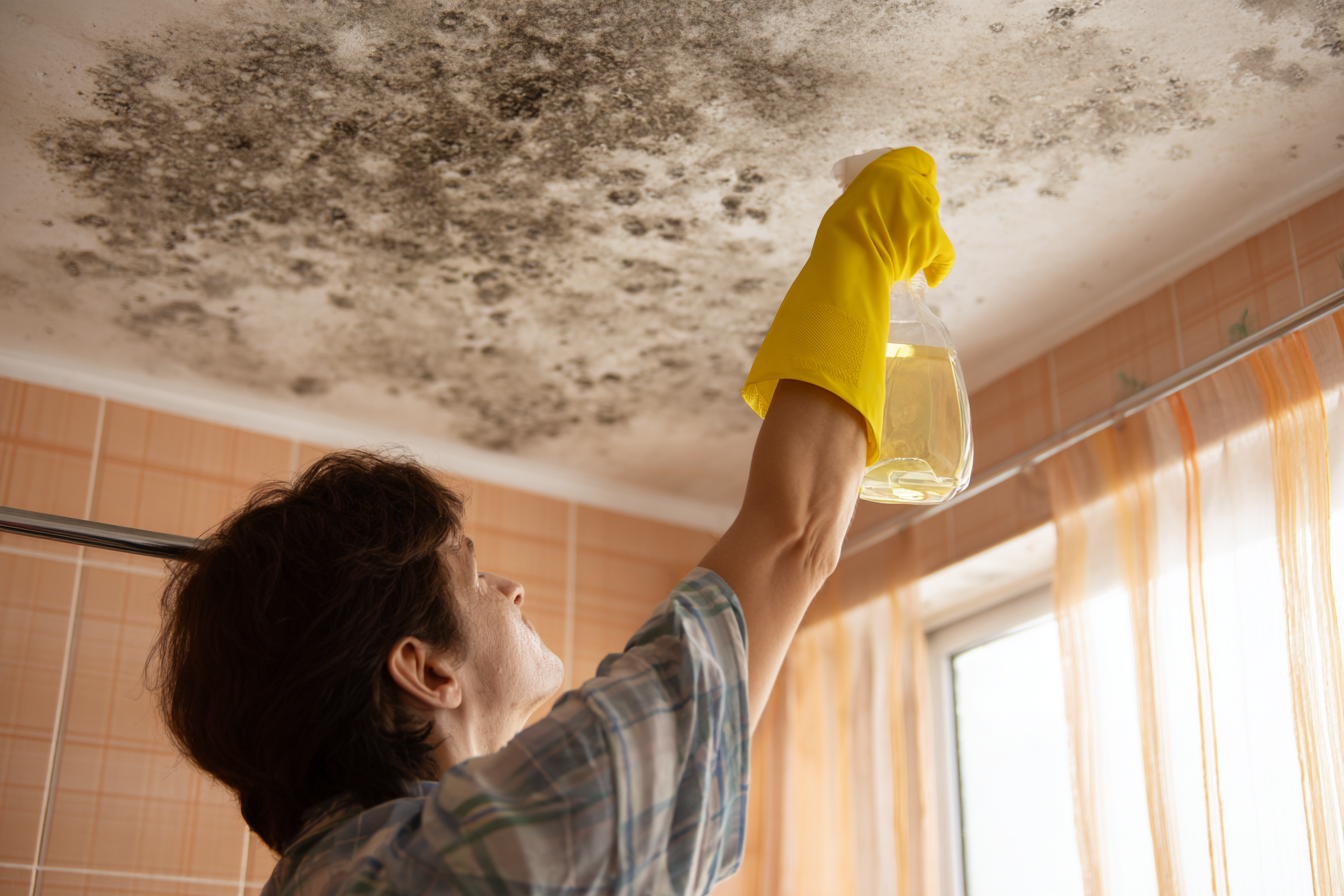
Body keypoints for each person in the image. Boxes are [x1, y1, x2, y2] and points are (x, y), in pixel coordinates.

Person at [150, 148, 953, 895]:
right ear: (427, 671)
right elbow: (791, 534)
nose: (512, 588)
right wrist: (862, 251)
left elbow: (792, 541)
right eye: (473, 577)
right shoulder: (466, 857)